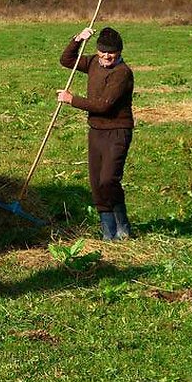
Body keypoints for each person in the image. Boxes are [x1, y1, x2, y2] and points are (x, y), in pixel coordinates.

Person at [57, 26, 135, 240]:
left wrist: (72, 100)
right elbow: (66, 60)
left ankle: (123, 226)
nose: (106, 56)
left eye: (111, 53)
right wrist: (78, 39)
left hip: (118, 131)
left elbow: (103, 105)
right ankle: (108, 233)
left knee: (108, 180)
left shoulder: (122, 73)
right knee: (96, 183)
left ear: (119, 52)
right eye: (103, 52)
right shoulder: (92, 62)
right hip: (96, 131)